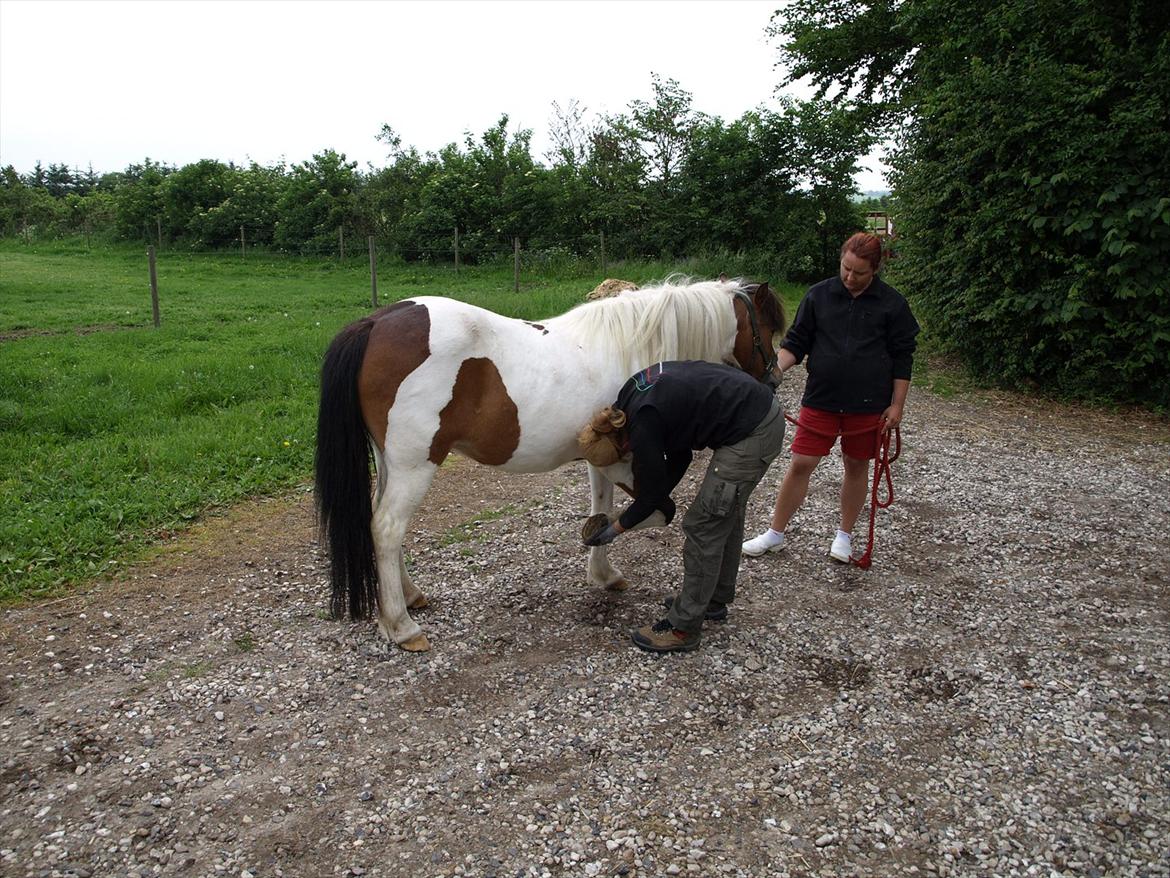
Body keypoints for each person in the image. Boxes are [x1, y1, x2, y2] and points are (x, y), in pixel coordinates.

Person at [578, 360, 786, 653]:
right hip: (753, 411)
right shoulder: (626, 402)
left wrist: (615, 529)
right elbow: (681, 457)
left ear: (622, 446)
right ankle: (712, 598)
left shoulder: (641, 428)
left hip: (753, 432)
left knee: (705, 523)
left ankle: (683, 627)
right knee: (725, 513)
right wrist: (657, 496)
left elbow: (649, 497)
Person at [741, 232, 919, 563]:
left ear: (875, 270)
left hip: (868, 404)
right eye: (845, 268)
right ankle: (775, 533)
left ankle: (844, 537)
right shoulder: (818, 295)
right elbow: (796, 343)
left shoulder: (893, 304)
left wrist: (897, 405)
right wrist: (771, 376)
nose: (850, 277)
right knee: (801, 463)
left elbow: (902, 357)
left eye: (859, 273)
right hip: (821, 397)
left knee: (855, 464)